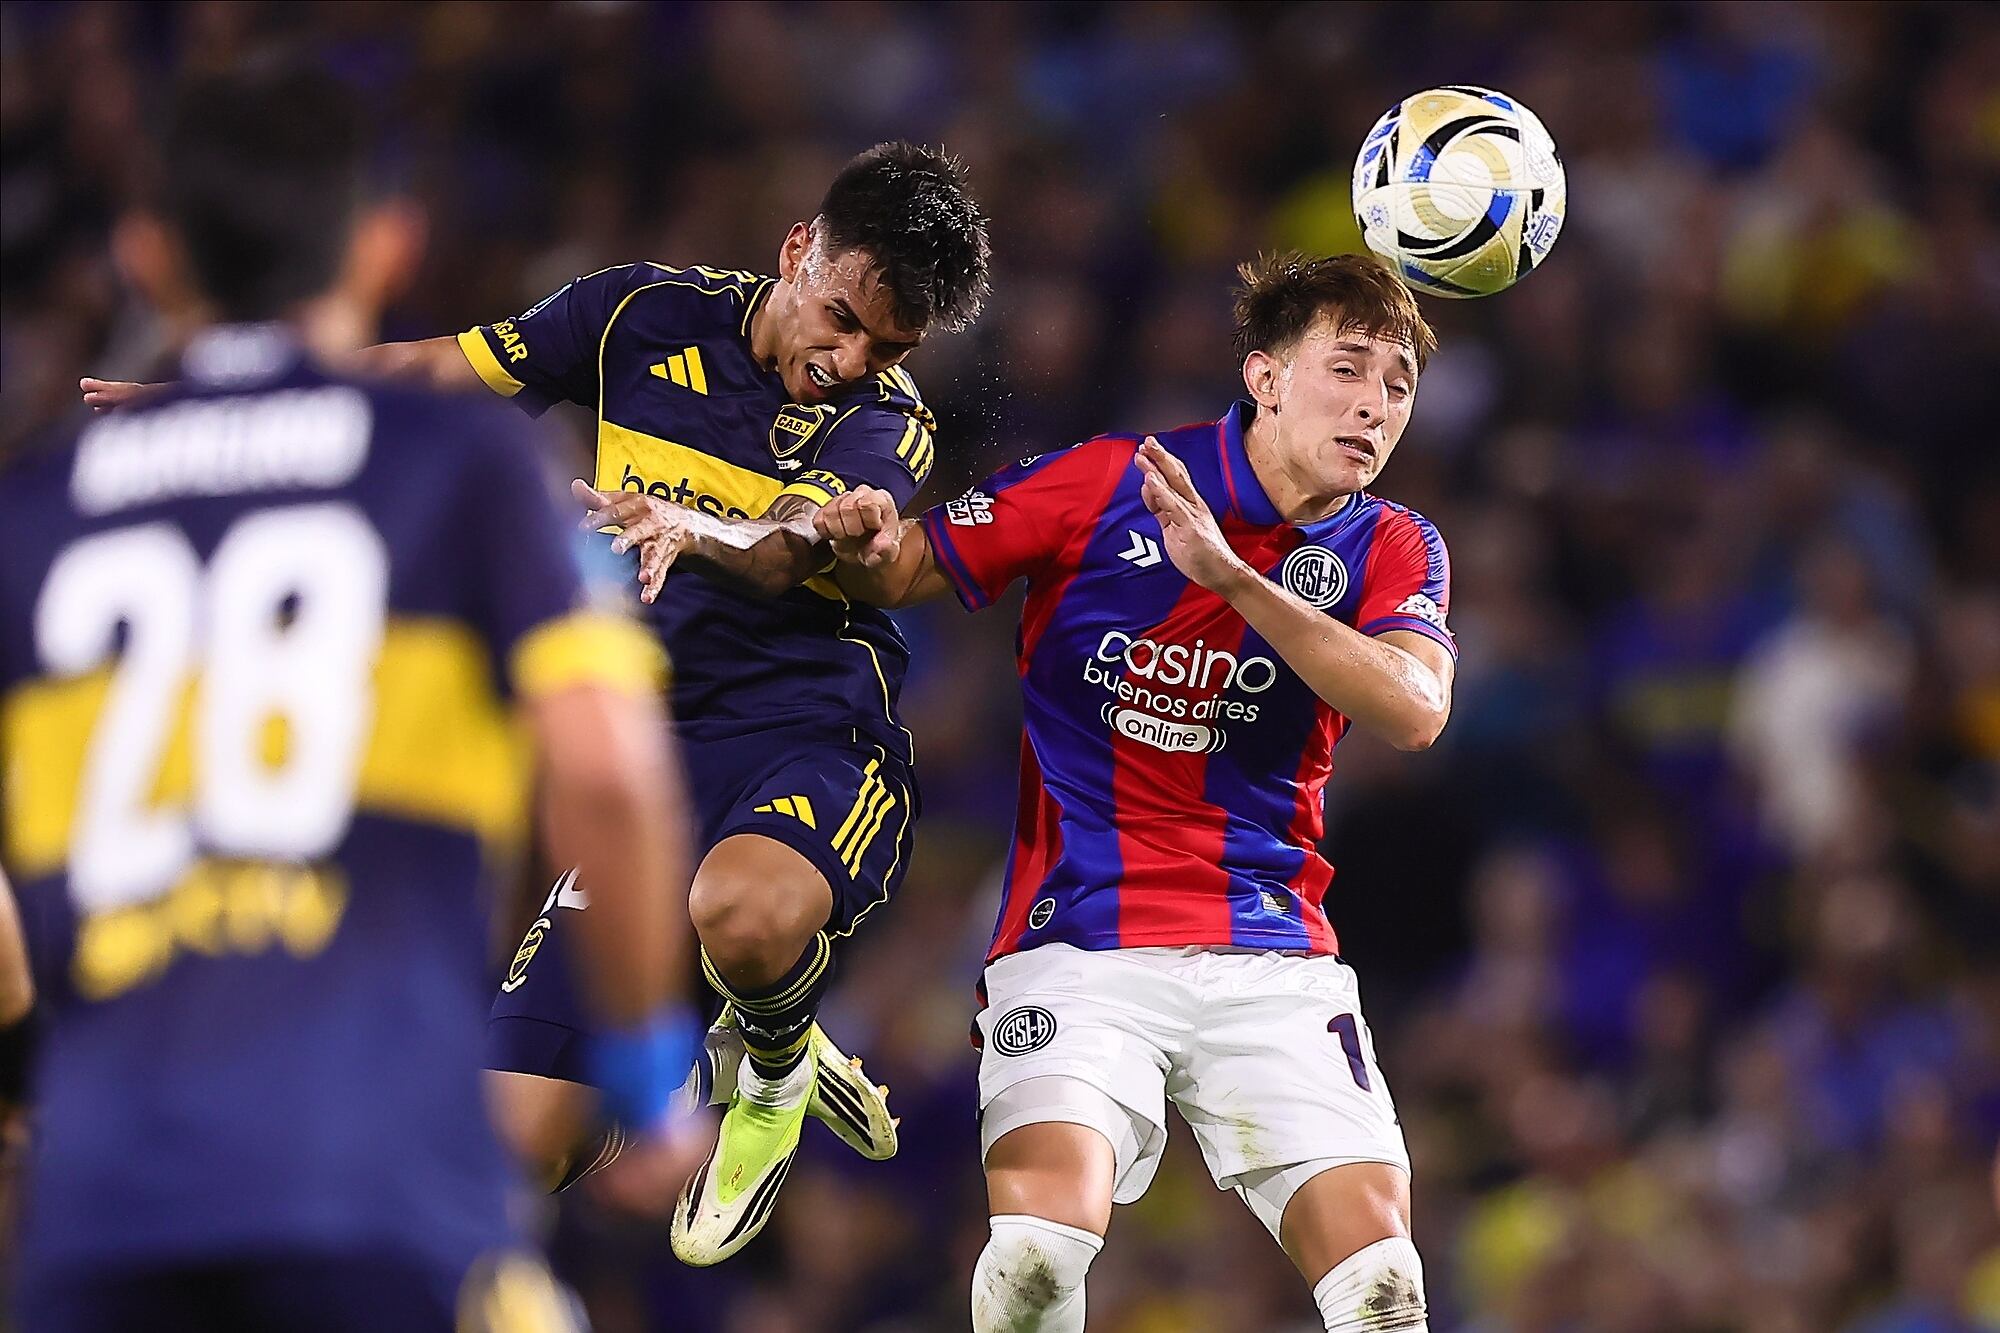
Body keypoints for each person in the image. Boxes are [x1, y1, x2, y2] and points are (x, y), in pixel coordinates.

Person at [90, 140, 994, 1262]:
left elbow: (786, 549)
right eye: (842, 318)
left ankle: (772, 1063)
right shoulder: (641, 315)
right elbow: (442, 371)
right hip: (642, 754)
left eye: (886, 346)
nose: (850, 359)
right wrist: (239, 404)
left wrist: (693, 527)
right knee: (512, 1144)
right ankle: (720, 1049)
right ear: (797, 250)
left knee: (743, 915)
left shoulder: (888, 424)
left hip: (805, 737)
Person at [4, 59, 698, 1331]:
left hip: (103, 1210)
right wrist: (648, 1069)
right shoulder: (469, 465)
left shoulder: (37, 514)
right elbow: (607, 771)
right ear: (386, 245)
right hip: (375, 1182)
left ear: (148, 256)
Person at [813, 252, 1453, 1332]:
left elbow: (1414, 708)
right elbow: (896, 567)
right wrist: (831, 527)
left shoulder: (1392, 542)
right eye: (1347, 368)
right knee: (1033, 1257)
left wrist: (1232, 580)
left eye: (1398, 385)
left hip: (1271, 951)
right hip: (1078, 938)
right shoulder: (1110, 481)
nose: (1374, 405)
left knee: (1384, 1290)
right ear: (1264, 376)